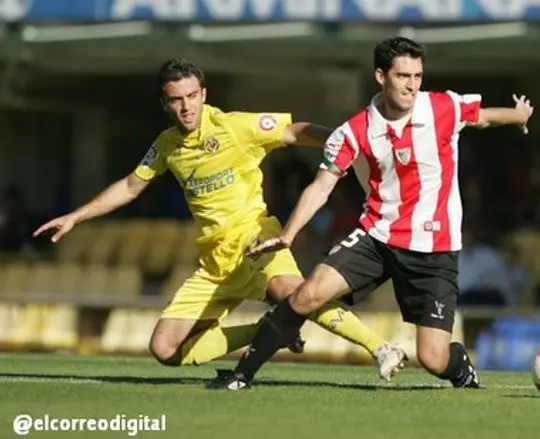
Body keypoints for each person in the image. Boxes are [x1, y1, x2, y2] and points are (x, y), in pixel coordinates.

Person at [33, 58, 407, 380]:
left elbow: (292, 132)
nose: (185, 107)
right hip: (215, 265)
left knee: (294, 295)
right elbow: (131, 186)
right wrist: (75, 217)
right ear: (165, 102)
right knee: (165, 349)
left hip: (256, 240)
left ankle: (381, 348)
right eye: (176, 100)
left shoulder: (234, 127)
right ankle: (265, 330)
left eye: (191, 96)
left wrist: (345, 142)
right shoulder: (167, 145)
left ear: (203, 94)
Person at [207, 37, 534, 390]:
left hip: (434, 248)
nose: (412, 85)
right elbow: (320, 186)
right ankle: (241, 376)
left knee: (433, 358)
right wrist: (288, 234)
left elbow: (481, 118)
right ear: (381, 76)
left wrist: (518, 115)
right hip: (377, 235)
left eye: (417, 76)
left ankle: (461, 370)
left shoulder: (441, 107)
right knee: (308, 293)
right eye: (403, 76)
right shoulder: (354, 131)